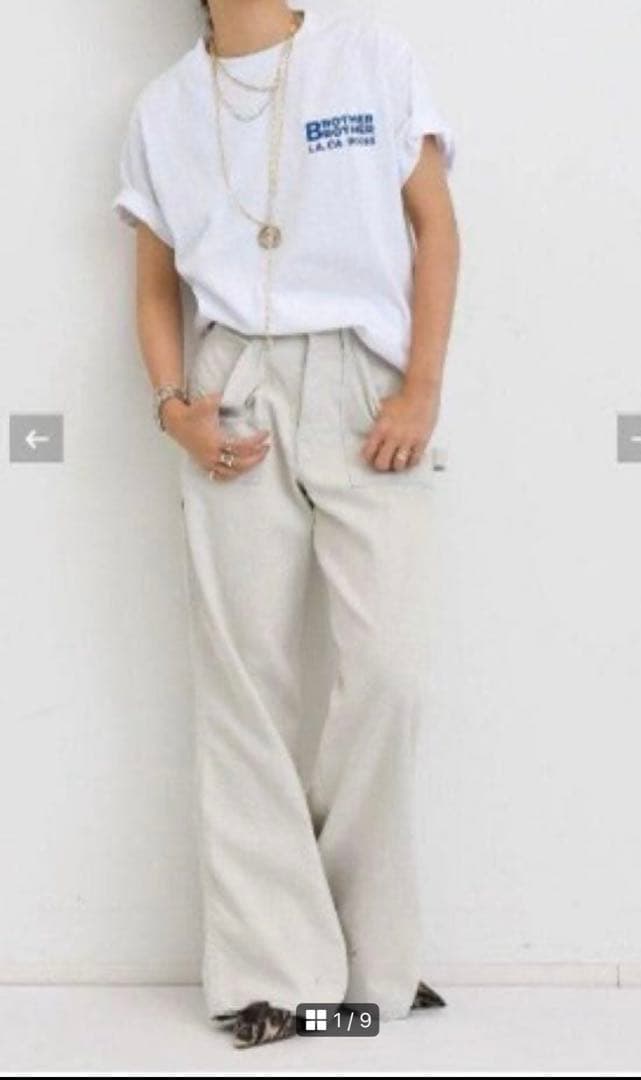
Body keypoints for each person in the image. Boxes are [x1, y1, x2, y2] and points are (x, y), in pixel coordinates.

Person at [112, 0, 460, 1051]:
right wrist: (174, 407)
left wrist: (422, 388)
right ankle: (272, 975)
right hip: (232, 386)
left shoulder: (368, 59)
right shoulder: (165, 106)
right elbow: (155, 286)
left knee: (389, 673)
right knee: (243, 686)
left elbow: (436, 228)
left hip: (367, 388)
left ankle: (368, 962)